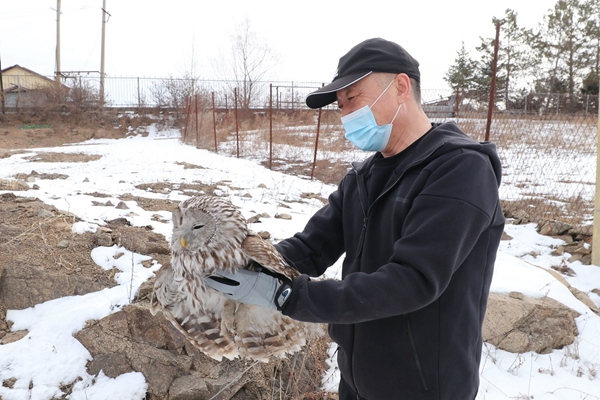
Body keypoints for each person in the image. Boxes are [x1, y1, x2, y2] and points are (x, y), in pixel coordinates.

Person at [205, 37, 505, 399]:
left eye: (353, 98)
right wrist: (244, 262)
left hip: (425, 385)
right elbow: (311, 248)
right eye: (340, 105)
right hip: (357, 379)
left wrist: (287, 296)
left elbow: (413, 280)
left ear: (400, 87)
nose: (346, 114)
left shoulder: (460, 169)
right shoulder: (362, 178)